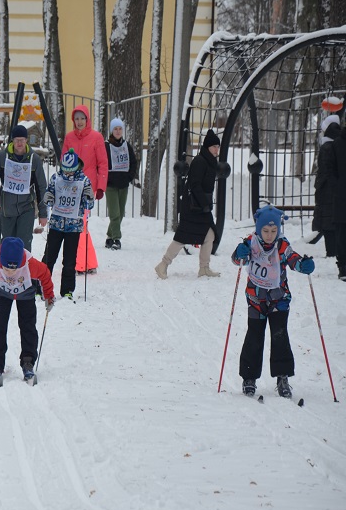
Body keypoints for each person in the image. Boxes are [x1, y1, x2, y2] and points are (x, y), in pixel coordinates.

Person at [232, 205, 314, 399]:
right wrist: (240, 252)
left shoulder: (282, 245)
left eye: (274, 231)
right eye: (266, 231)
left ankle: (282, 377)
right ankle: (249, 378)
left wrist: (303, 265)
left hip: (279, 299)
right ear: (259, 229)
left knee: (280, 336)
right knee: (254, 336)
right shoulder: (251, 242)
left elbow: (292, 259)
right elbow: (237, 260)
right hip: (255, 299)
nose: (270, 235)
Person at [0, 236, 56, 385]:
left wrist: (49, 296)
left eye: (12, 269)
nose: (8, 272)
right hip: (3, 294)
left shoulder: (30, 264)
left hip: (26, 294)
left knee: (28, 327)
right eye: (5, 268)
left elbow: (45, 274)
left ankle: (28, 362)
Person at [155, 129, 223, 279]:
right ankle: (163, 265)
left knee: (209, 234)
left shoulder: (210, 161)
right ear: (207, 147)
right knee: (182, 238)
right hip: (193, 207)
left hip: (200, 207)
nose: (216, 149)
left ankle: (204, 268)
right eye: (214, 146)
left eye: (218, 146)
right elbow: (195, 184)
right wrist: (205, 202)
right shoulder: (200, 161)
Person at [0, 124, 48, 252]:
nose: (19, 143)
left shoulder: (34, 159)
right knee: (8, 243)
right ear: (12, 141)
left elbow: (41, 187)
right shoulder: (2, 157)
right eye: (16, 140)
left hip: (27, 208)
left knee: (24, 243)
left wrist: (43, 213)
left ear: (26, 140)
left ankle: (23, 270)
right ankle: (8, 270)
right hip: (7, 209)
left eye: (22, 140)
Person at [42, 149, 95, 299]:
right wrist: (48, 197)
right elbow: (49, 199)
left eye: (71, 171)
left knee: (70, 260)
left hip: (74, 227)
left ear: (77, 167)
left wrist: (90, 197)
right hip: (56, 224)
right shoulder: (56, 178)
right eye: (66, 170)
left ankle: (67, 290)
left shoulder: (84, 180)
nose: (68, 174)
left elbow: (88, 206)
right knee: (49, 257)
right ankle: (40, 287)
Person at [62, 105, 108, 274]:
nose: (79, 122)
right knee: (77, 225)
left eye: (82, 118)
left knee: (80, 224)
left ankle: (79, 263)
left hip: (88, 188)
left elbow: (102, 163)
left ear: (87, 120)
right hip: (70, 188)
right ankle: (87, 262)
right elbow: (64, 161)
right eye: (77, 118)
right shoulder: (69, 138)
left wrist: (101, 187)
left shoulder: (96, 137)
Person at [104, 118, 139, 250]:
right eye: (115, 129)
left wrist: (129, 177)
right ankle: (116, 239)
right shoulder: (106, 146)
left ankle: (109, 236)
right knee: (114, 213)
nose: (118, 131)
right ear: (112, 131)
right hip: (111, 185)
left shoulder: (126, 146)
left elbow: (133, 162)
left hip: (123, 185)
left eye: (120, 129)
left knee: (121, 213)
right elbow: (101, 162)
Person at [313, 114, 340, 258]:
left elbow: (324, 170)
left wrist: (318, 185)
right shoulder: (339, 144)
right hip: (338, 189)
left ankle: (331, 253)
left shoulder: (326, 147)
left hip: (327, 189)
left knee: (327, 221)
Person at [333, 121, 346, 281]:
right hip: (342, 195)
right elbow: (330, 168)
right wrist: (338, 186)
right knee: (342, 232)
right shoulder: (338, 143)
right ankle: (343, 266)